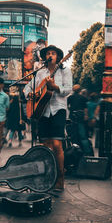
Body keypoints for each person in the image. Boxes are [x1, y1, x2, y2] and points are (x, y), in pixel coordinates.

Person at [24, 45, 72, 191]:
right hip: (42, 111)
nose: (50, 55)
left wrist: (55, 87)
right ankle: (47, 176)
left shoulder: (65, 71)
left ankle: (60, 178)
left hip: (58, 110)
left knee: (57, 145)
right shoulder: (40, 73)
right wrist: (30, 94)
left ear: (58, 57)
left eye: (53, 53)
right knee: (45, 146)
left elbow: (68, 89)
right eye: (48, 53)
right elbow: (27, 88)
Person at [67, 84, 93, 156]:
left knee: (73, 133)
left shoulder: (70, 97)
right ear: (80, 90)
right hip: (81, 117)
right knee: (83, 135)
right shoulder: (83, 98)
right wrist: (86, 116)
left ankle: (74, 148)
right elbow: (85, 109)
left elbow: (68, 106)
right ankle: (87, 151)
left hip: (73, 116)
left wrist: (71, 110)